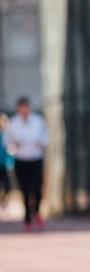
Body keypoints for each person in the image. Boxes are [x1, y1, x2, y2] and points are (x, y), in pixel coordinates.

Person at [6, 98, 49, 230]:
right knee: (24, 189)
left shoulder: (37, 121)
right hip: (21, 160)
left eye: (27, 107)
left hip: (35, 158)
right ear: (18, 109)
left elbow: (46, 136)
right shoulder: (13, 123)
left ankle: (36, 211)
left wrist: (41, 143)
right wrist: (13, 146)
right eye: (22, 107)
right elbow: (7, 141)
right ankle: (27, 218)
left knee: (37, 188)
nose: (25, 110)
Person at [0, 114, 13, 213]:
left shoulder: (8, 134)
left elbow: (11, 150)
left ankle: (4, 199)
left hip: (5, 164)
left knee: (8, 185)